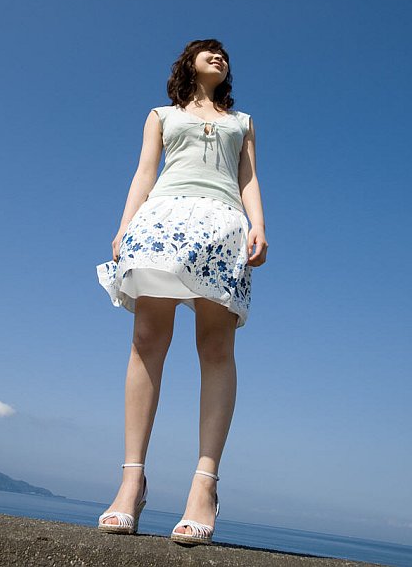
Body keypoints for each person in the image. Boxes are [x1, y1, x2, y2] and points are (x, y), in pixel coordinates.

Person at [96, 38, 268, 545]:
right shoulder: (161, 115)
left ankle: (204, 488)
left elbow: (249, 177)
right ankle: (131, 482)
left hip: (222, 224)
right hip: (164, 217)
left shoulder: (244, 122)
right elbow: (145, 170)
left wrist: (258, 224)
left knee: (215, 348)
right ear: (187, 63)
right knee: (148, 339)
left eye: (225, 54)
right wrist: (124, 226)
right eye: (208, 51)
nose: (220, 57)